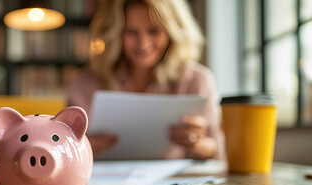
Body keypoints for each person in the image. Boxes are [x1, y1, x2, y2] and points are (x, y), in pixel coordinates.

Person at [68, 0, 226, 160]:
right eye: (131, 32)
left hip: (173, 183)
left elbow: (219, 151)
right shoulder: (84, 86)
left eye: (153, 31)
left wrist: (197, 143)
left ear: (172, 32)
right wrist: (84, 148)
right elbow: (63, 153)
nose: (143, 44)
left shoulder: (196, 81)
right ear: (116, 33)